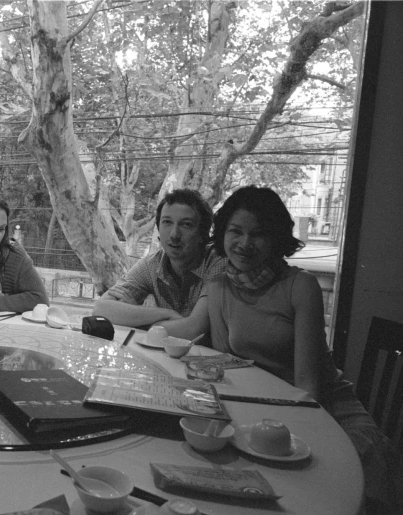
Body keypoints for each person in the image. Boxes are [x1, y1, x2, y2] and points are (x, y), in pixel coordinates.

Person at [206, 185, 402, 514]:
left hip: (329, 416)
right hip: (266, 415)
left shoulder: (301, 285)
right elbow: (227, 366)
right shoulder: (218, 285)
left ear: (276, 238)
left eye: (258, 234)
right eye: (235, 231)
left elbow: (309, 388)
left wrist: (264, 432)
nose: (244, 244)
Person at [92, 189, 226, 331]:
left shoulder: (217, 262)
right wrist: (167, 314)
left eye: (186, 224)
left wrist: (137, 319)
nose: (174, 234)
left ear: (202, 234)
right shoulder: (152, 264)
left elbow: (193, 331)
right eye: (167, 222)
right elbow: (101, 308)